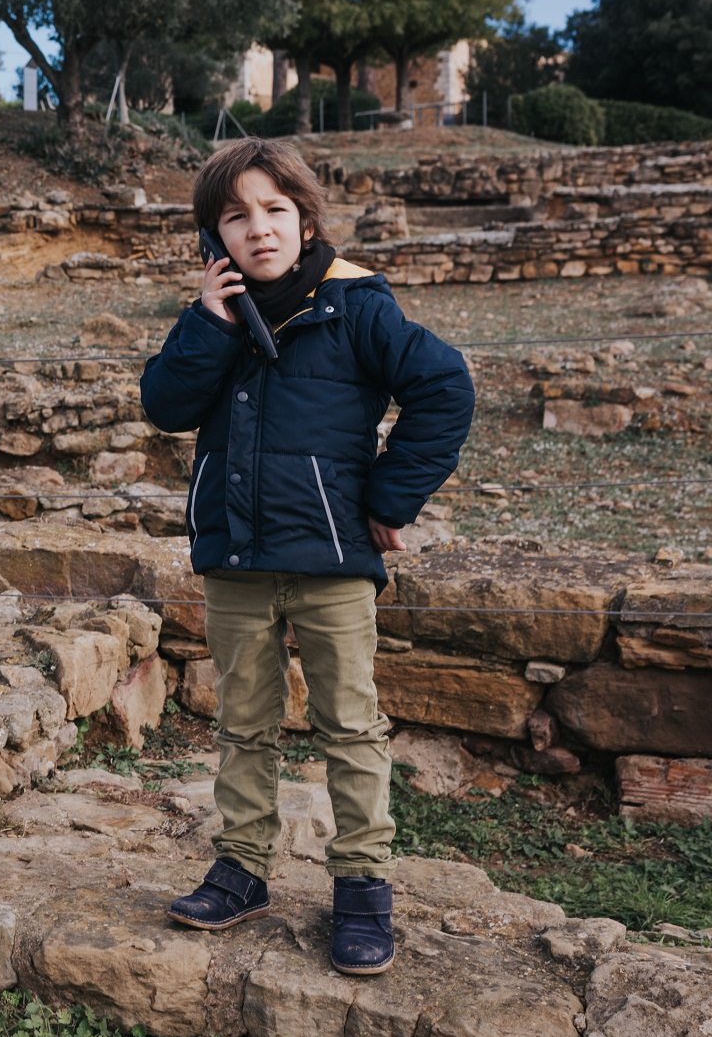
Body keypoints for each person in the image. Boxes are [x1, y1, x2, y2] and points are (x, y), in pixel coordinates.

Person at [139, 138, 473, 977]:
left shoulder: (358, 306)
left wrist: (390, 500)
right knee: (242, 723)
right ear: (214, 239)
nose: (260, 228)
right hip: (236, 558)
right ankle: (242, 867)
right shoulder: (212, 318)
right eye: (237, 216)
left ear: (306, 217)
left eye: (276, 209)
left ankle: (362, 884)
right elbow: (164, 404)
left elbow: (445, 388)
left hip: (329, 559)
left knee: (350, 725)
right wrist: (207, 322)